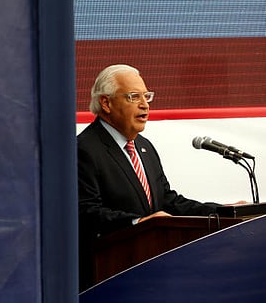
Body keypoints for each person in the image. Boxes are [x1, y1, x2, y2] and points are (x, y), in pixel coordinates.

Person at [77, 64, 217, 289]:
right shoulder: (84, 149)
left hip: (150, 274)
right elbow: (86, 213)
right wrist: (138, 222)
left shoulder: (144, 147)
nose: (144, 104)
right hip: (107, 278)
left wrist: (224, 212)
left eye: (146, 96)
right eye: (133, 96)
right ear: (106, 103)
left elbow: (168, 201)